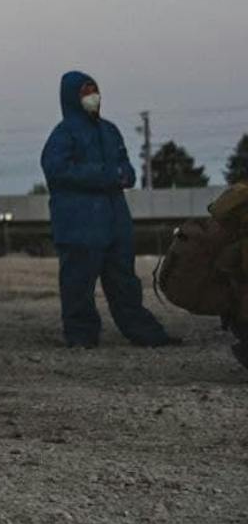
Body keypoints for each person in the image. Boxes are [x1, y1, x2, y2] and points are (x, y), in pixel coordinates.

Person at [41, 70, 179, 348]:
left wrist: (118, 174)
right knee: (78, 285)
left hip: (115, 223)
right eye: (85, 91)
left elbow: (127, 170)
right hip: (79, 225)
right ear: (72, 97)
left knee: (125, 283)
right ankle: (81, 336)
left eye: (94, 89)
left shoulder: (109, 130)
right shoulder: (63, 134)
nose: (93, 96)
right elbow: (56, 170)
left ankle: (145, 333)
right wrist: (106, 175)